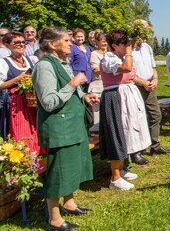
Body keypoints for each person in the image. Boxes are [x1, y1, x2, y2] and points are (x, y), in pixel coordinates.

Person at [32, 27, 98, 230]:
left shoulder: (63, 63)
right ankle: (54, 219)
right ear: (52, 44)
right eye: (67, 40)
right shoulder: (44, 66)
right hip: (59, 127)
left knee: (72, 167)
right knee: (58, 171)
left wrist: (84, 96)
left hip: (72, 125)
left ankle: (69, 204)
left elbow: (70, 91)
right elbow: (49, 102)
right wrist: (73, 83)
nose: (71, 43)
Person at [99, 29, 151, 190]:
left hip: (127, 95)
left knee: (127, 132)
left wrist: (143, 82)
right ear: (114, 45)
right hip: (116, 97)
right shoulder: (109, 58)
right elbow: (126, 69)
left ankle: (121, 170)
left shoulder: (120, 57)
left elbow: (131, 75)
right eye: (125, 43)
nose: (128, 46)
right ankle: (115, 178)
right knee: (118, 133)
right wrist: (129, 52)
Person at [132, 27, 170, 158]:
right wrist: (143, 83)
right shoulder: (129, 49)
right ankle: (137, 150)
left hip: (150, 85)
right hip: (135, 86)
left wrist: (155, 79)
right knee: (138, 118)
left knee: (155, 114)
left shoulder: (147, 48)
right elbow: (128, 72)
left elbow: (153, 67)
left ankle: (155, 145)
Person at [0, 32, 40, 153]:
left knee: (36, 126)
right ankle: (24, 157)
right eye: (16, 42)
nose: (21, 45)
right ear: (7, 45)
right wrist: (17, 79)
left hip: (33, 100)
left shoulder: (32, 59)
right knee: (21, 129)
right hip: (16, 103)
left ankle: (39, 154)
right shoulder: (4, 62)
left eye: (23, 42)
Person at [88, 33, 107, 132]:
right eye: (103, 41)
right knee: (97, 112)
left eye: (106, 41)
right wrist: (111, 69)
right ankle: (97, 133)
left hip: (108, 84)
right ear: (97, 42)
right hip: (98, 85)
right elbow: (95, 69)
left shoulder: (110, 53)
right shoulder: (94, 54)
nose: (105, 43)